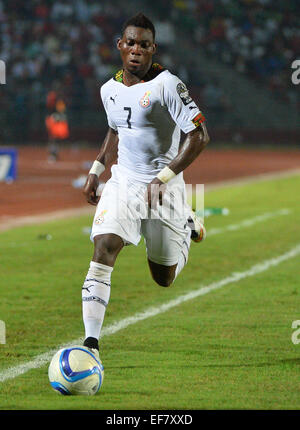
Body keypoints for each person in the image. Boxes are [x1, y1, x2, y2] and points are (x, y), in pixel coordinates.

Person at [81, 13, 209, 357]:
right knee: (104, 245)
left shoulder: (168, 84)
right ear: (120, 46)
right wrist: (98, 166)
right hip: (124, 180)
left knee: (163, 277)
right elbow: (114, 128)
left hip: (164, 186)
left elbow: (199, 135)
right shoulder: (109, 88)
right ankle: (91, 345)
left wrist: (163, 177)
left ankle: (186, 220)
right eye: (131, 43)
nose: (136, 50)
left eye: (144, 45)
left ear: (153, 49)